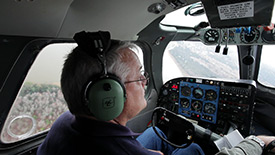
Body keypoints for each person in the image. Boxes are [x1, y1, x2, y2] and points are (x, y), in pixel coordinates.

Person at [37, 31, 275, 155]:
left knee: (155, 131)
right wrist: (256, 142)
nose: (144, 81)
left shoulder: (65, 122)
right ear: (107, 95)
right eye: (139, 75)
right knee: (193, 149)